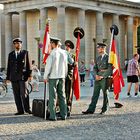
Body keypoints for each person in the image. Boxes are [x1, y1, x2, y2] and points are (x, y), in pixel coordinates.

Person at [82, 43, 112, 115]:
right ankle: (91, 109)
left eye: (98, 48)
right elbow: (95, 68)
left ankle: (105, 109)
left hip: (104, 78)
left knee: (105, 94)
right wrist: (95, 75)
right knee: (95, 94)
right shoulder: (98, 58)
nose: (98, 49)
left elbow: (110, 69)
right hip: (97, 78)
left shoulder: (108, 57)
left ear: (102, 48)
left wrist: (102, 76)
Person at [6, 38, 32, 115]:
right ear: (14, 45)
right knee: (16, 94)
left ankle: (27, 109)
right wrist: (8, 78)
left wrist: (30, 75)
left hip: (23, 77)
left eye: (20, 43)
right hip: (14, 77)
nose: (18, 45)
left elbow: (29, 65)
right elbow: (9, 67)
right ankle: (20, 110)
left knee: (24, 93)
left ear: (21, 44)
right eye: (16, 43)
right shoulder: (11, 54)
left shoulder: (25, 53)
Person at [44, 37, 68, 121]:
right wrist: (64, 75)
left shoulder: (52, 53)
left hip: (53, 77)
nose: (50, 45)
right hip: (62, 76)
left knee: (52, 96)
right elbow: (66, 66)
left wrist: (45, 76)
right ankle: (64, 114)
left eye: (51, 43)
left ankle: (53, 116)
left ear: (53, 44)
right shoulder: (64, 53)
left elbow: (48, 67)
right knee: (62, 96)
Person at [64, 40, 75, 117]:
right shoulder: (62, 54)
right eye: (66, 46)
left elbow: (73, 64)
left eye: (69, 47)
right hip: (62, 75)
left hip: (69, 75)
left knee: (68, 92)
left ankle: (67, 107)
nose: (67, 47)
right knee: (61, 92)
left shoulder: (73, 55)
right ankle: (60, 106)